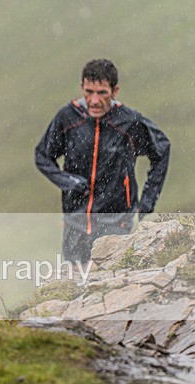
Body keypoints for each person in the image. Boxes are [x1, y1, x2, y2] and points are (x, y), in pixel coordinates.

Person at [35, 58, 171, 263]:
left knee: (112, 277)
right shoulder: (68, 117)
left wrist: (146, 204)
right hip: (76, 220)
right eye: (89, 92)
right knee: (75, 284)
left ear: (115, 91)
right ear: (82, 87)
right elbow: (42, 156)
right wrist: (69, 182)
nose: (94, 100)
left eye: (102, 93)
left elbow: (161, 150)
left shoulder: (129, 121)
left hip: (116, 222)